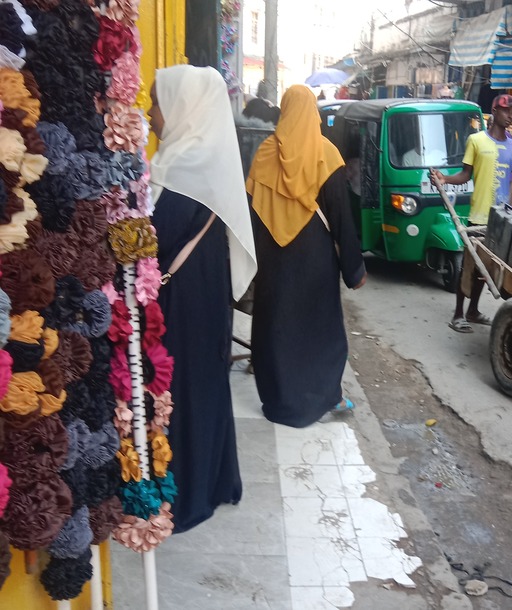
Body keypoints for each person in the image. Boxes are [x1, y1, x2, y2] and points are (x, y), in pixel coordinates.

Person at [147, 65, 258, 532]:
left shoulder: (174, 176)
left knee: (183, 393)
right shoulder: (210, 170)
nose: (149, 114)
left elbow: (150, 245)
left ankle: (188, 495)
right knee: (207, 387)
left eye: (156, 102)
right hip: (208, 302)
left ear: (181, 109)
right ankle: (215, 481)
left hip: (181, 308)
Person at [246, 84, 367, 428]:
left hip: (274, 262)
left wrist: (254, 264)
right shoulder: (326, 155)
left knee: (275, 328)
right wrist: (354, 270)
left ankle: (278, 401)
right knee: (320, 329)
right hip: (314, 261)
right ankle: (324, 396)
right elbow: (341, 219)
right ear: (312, 113)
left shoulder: (264, 155)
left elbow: (252, 214)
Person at [431, 94, 512, 333]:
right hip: (479, 216)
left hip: (502, 220)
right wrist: (444, 179)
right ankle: (458, 313)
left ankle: (473, 311)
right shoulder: (476, 141)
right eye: (507, 110)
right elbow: (465, 175)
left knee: (484, 268)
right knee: (470, 266)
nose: (511, 115)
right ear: (495, 112)